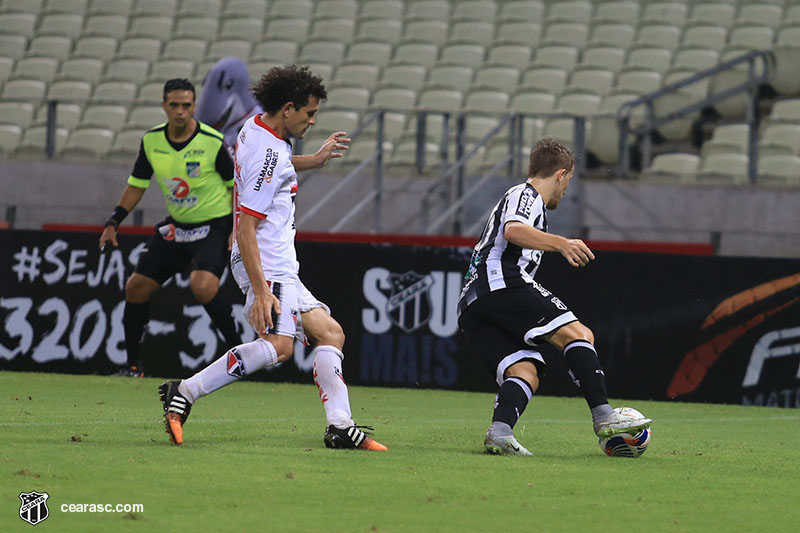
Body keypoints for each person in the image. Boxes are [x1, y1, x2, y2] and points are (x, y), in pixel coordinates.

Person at [158, 65, 387, 451]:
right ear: (288, 108)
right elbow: (247, 226)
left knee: (330, 333)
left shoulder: (256, 127)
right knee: (279, 347)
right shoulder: (270, 153)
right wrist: (262, 291)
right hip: (266, 261)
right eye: (309, 113)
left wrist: (314, 159)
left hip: (275, 261)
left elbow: (272, 168)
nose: (313, 121)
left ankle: (339, 425)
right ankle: (185, 391)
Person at [457, 138, 652, 456]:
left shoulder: (527, 201)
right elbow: (513, 230)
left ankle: (500, 432)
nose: (565, 190)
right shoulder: (526, 194)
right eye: (569, 181)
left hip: (472, 304)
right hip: (498, 282)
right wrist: (562, 243)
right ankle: (604, 416)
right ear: (561, 175)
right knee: (579, 334)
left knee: (525, 370)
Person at [99, 78, 241, 377]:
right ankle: (132, 367)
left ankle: (241, 356)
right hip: (177, 228)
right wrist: (114, 222)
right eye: (174, 105)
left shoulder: (212, 141)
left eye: (186, 105)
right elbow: (137, 185)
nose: (180, 111)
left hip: (214, 226)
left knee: (202, 286)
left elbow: (236, 187)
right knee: (136, 288)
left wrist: (235, 228)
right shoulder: (152, 141)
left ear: (194, 106)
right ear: (164, 105)